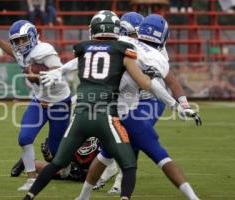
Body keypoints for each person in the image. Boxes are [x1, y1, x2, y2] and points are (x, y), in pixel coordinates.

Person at [23, 10, 188, 200]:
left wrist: (59, 74)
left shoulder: (87, 48)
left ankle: (32, 196)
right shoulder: (124, 51)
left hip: (84, 114)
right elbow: (148, 84)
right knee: (129, 162)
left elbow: (75, 65)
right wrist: (175, 105)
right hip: (109, 115)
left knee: (59, 161)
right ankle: (120, 192)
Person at [79, 13, 202, 200]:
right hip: (128, 99)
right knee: (125, 144)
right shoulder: (127, 45)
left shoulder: (153, 53)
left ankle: (115, 185)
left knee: (133, 139)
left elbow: (162, 83)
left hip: (148, 100)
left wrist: (179, 104)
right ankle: (112, 188)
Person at [0, 20, 71, 191]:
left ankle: (67, 164)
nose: (19, 44)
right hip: (39, 100)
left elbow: (60, 74)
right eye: (16, 41)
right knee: (24, 138)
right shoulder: (21, 51)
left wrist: (36, 78)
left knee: (54, 151)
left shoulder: (44, 51)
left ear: (32, 36)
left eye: (22, 40)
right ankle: (31, 179)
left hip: (59, 102)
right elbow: (13, 53)